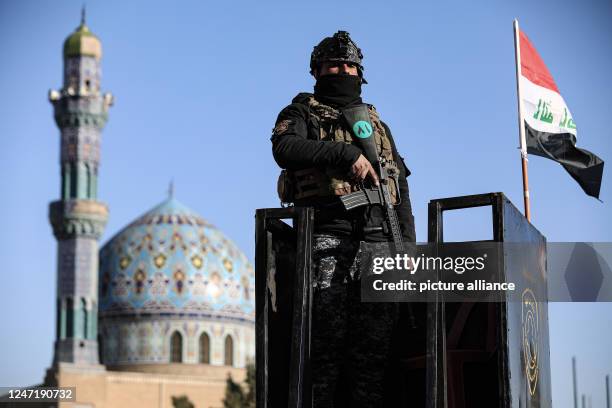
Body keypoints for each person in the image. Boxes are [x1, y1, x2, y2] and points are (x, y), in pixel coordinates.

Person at [270, 30, 416, 407]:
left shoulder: (377, 126)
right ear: (317, 71)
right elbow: (285, 148)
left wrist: (408, 253)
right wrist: (343, 154)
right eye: (334, 65)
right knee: (324, 350)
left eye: (350, 65)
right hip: (328, 240)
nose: (343, 70)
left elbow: (399, 188)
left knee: (373, 354)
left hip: (380, 246)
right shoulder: (301, 113)